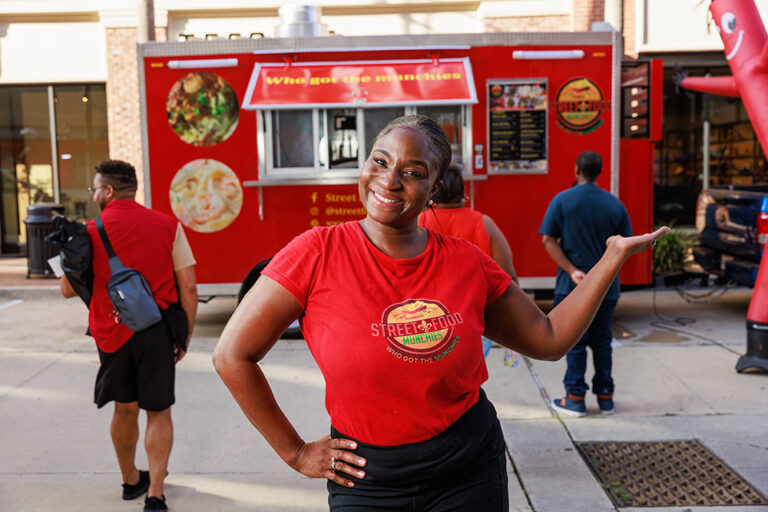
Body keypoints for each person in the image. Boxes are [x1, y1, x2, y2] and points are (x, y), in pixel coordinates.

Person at [212, 115, 666, 511]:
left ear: (434, 188)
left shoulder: (467, 261)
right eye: (380, 161)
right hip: (365, 479)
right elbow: (231, 356)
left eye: (412, 172)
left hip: (467, 470)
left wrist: (611, 259)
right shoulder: (316, 252)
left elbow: (547, 339)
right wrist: (294, 452)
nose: (389, 181)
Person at [60, 160, 197, 512]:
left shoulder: (87, 230)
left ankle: (129, 481)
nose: (93, 195)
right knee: (158, 411)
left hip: (111, 330)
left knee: (124, 409)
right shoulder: (168, 225)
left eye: (94, 189)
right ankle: (155, 494)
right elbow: (190, 287)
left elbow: (65, 288)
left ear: (108, 191)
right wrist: (185, 335)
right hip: (157, 330)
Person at [539, 150, 633, 417]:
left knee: (575, 342)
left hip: (571, 288)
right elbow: (625, 247)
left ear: (576, 169)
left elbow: (547, 239)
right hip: (607, 288)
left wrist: (572, 271)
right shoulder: (614, 204)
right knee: (602, 340)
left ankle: (575, 398)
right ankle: (605, 398)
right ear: (599, 172)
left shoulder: (562, 200)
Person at [418, 159, 518, 357]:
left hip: (429, 323)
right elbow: (508, 276)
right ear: (462, 191)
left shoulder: (421, 221)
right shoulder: (484, 223)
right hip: (475, 321)